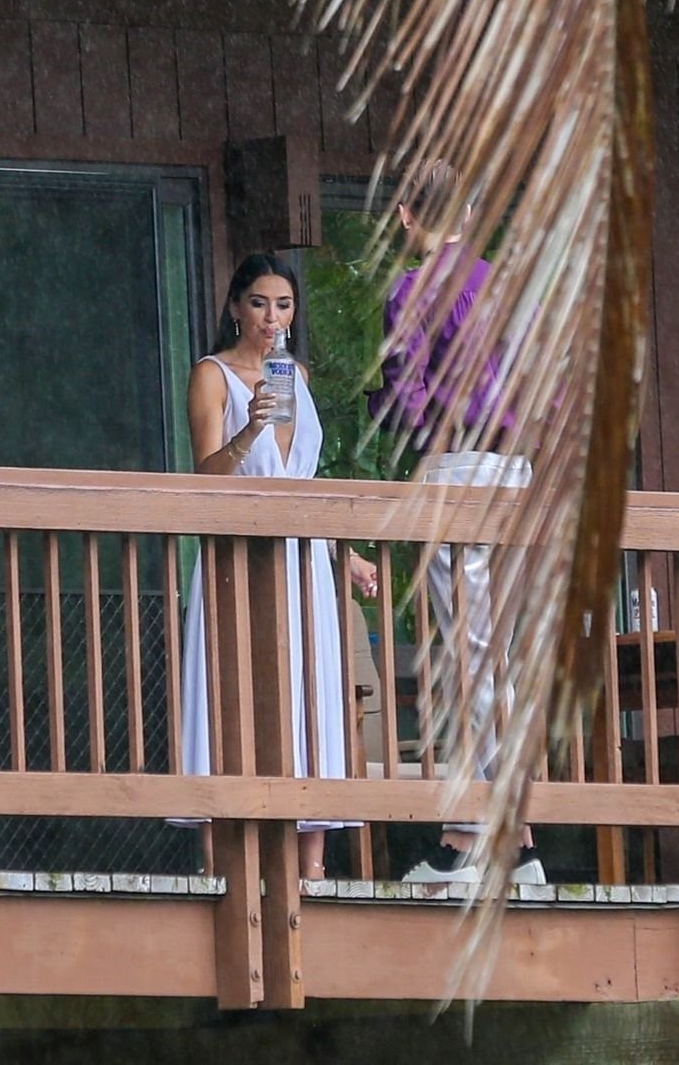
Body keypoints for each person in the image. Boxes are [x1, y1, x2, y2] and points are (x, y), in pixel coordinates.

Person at [366, 159, 541, 886]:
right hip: (514, 472)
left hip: (459, 468)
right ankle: (509, 837)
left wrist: (395, 421)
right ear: (468, 215)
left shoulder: (412, 290)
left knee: (469, 655)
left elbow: (408, 395)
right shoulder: (502, 284)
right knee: (495, 654)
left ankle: (480, 838)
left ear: (408, 215)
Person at [177, 252, 379, 881]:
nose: (272, 317)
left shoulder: (296, 375)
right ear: (236, 307)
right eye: (260, 303)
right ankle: (221, 865)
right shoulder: (213, 375)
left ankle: (310, 865)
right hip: (239, 554)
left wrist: (345, 556)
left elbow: (299, 486)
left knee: (307, 689)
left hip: (302, 558)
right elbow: (205, 478)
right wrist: (247, 432)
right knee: (231, 688)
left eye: (284, 305)